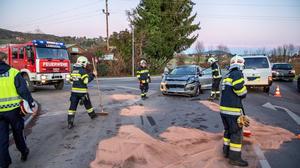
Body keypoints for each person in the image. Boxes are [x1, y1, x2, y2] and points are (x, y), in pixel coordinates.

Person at [0, 51, 36, 168]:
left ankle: (4, 164)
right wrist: (31, 104)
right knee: (18, 133)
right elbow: (24, 91)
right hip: (14, 111)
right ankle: (24, 152)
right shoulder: (13, 73)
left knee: (1, 139)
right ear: (5, 60)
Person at [220, 55, 248, 167]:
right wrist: (245, 90)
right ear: (241, 64)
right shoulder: (237, 74)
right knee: (236, 133)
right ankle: (235, 158)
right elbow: (241, 92)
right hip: (233, 112)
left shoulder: (228, 75)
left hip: (224, 111)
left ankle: (226, 152)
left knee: (228, 131)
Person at [67, 56, 97, 129]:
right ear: (83, 63)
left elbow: (69, 80)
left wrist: (76, 82)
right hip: (82, 92)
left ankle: (70, 123)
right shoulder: (82, 71)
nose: (86, 65)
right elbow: (85, 81)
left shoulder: (73, 70)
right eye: (86, 63)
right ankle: (92, 115)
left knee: (72, 107)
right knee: (87, 104)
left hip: (74, 93)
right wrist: (93, 75)